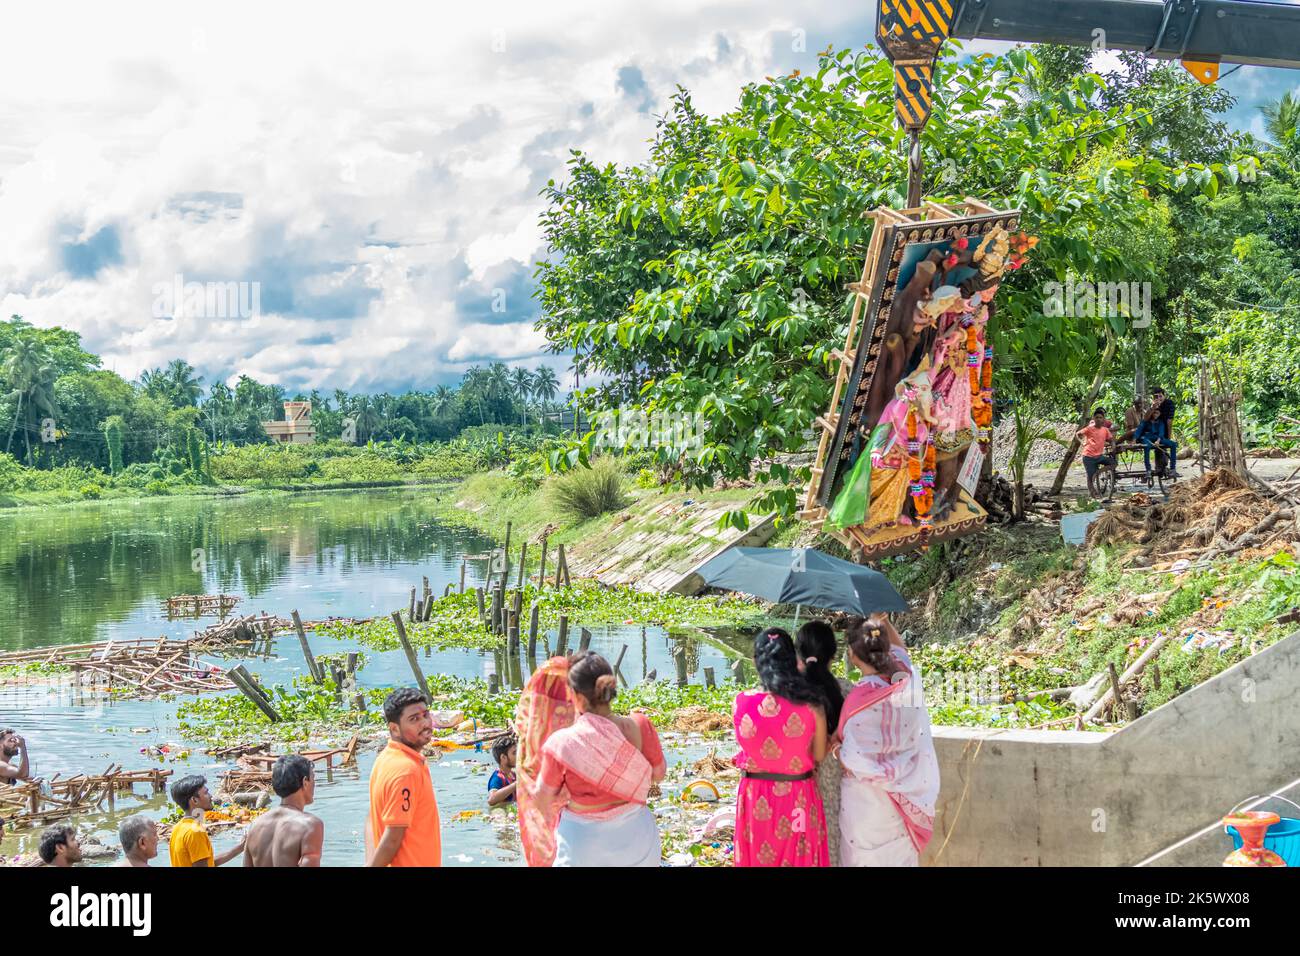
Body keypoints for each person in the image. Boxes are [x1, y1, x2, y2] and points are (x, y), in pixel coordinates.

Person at [520, 651, 666, 867]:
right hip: (638, 840)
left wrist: (526, 774)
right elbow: (659, 774)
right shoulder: (640, 725)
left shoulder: (561, 744)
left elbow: (542, 800)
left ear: (577, 697)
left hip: (582, 844)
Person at [838, 617, 940, 867]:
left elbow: (852, 759)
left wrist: (835, 751)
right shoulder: (904, 680)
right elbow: (901, 651)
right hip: (904, 799)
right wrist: (880, 618)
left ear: (852, 655)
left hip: (867, 805)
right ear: (885, 649)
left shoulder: (857, 700)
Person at [733, 627, 830, 867]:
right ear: (793, 660)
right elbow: (818, 754)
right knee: (800, 855)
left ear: (756, 660)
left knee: (757, 857)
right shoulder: (812, 703)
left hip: (756, 797)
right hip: (797, 799)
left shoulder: (741, 701)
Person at [367, 687, 441, 867]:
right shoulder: (406, 770)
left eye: (425, 715)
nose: (425, 723)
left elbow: (370, 820)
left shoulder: (385, 758)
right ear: (395, 729)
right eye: (414, 719)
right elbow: (392, 839)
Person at [796, 619, 848, 866]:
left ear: (799, 652)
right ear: (833, 654)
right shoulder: (849, 692)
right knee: (834, 847)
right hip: (838, 781)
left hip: (799, 786)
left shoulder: (789, 694)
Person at [245, 755, 324, 867]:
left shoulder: (255, 825)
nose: (315, 784)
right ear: (305, 782)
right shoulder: (310, 825)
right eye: (313, 778)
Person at [169, 774, 245, 867]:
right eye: (206, 793)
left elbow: (207, 863)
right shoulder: (195, 832)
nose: (210, 796)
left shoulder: (178, 828)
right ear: (194, 800)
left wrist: (240, 847)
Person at [1077, 408, 1115, 498]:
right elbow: (1078, 434)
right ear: (1094, 419)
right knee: (1090, 477)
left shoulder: (1105, 430)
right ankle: (1092, 493)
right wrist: (1082, 442)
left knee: (1113, 463)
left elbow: (1111, 440)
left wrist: (1113, 446)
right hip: (1088, 456)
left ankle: (1098, 472)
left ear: (1103, 419)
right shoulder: (1089, 428)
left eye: (1100, 417)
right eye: (1097, 417)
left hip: (1099, 456)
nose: (1098, 419)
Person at [1149, 387, 1179, 477]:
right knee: (1166, 447)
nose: (1159, 398)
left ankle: (1164, 468)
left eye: (1160, 396)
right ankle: (1169, 468)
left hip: (1162, 433)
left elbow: (1169, 421)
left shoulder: (1169, 404)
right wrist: (1153, 408)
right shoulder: (1153, 406)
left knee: (1164, 447)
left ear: (1164, 395)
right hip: (1154, 434)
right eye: (1156, 397)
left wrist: (1168, 436)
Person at [486, 734, 517, 807]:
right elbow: (491, 800)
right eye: (514, 753)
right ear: (503, 757)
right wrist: (517, 784)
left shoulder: (513, 775)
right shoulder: (497, 778)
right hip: (500, 812)